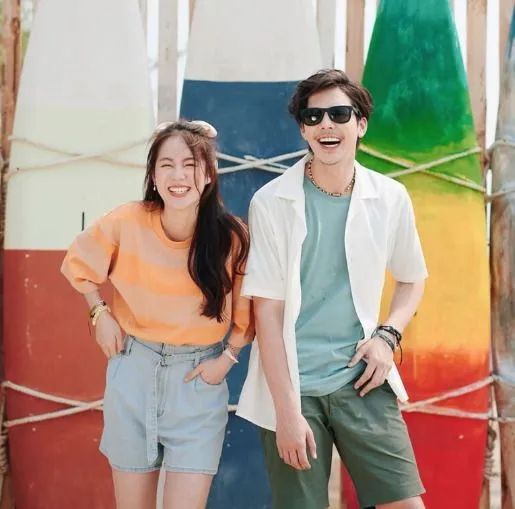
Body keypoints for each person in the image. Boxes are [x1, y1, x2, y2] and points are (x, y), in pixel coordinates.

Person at [237, 69, 428, 509]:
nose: (327, 124)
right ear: (303, 130)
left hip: (363, 377)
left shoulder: (391, 197)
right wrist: (286, 413)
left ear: (360, 125)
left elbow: (412, 278)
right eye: (314, 116)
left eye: (339, 114)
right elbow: (267, 312)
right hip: (294, 386)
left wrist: (387, 337)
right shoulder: (271, 201)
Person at [61, 120, 253, 509]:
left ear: (209, 174)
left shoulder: (232, 237)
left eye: (190, 165)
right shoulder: (126, 221)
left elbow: (246, 314)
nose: (178, 176)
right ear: (152, 175)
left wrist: (227, 359)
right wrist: (99, 313)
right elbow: (77, 263)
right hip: (134, 371)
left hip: (197, 382)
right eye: (167, 165)